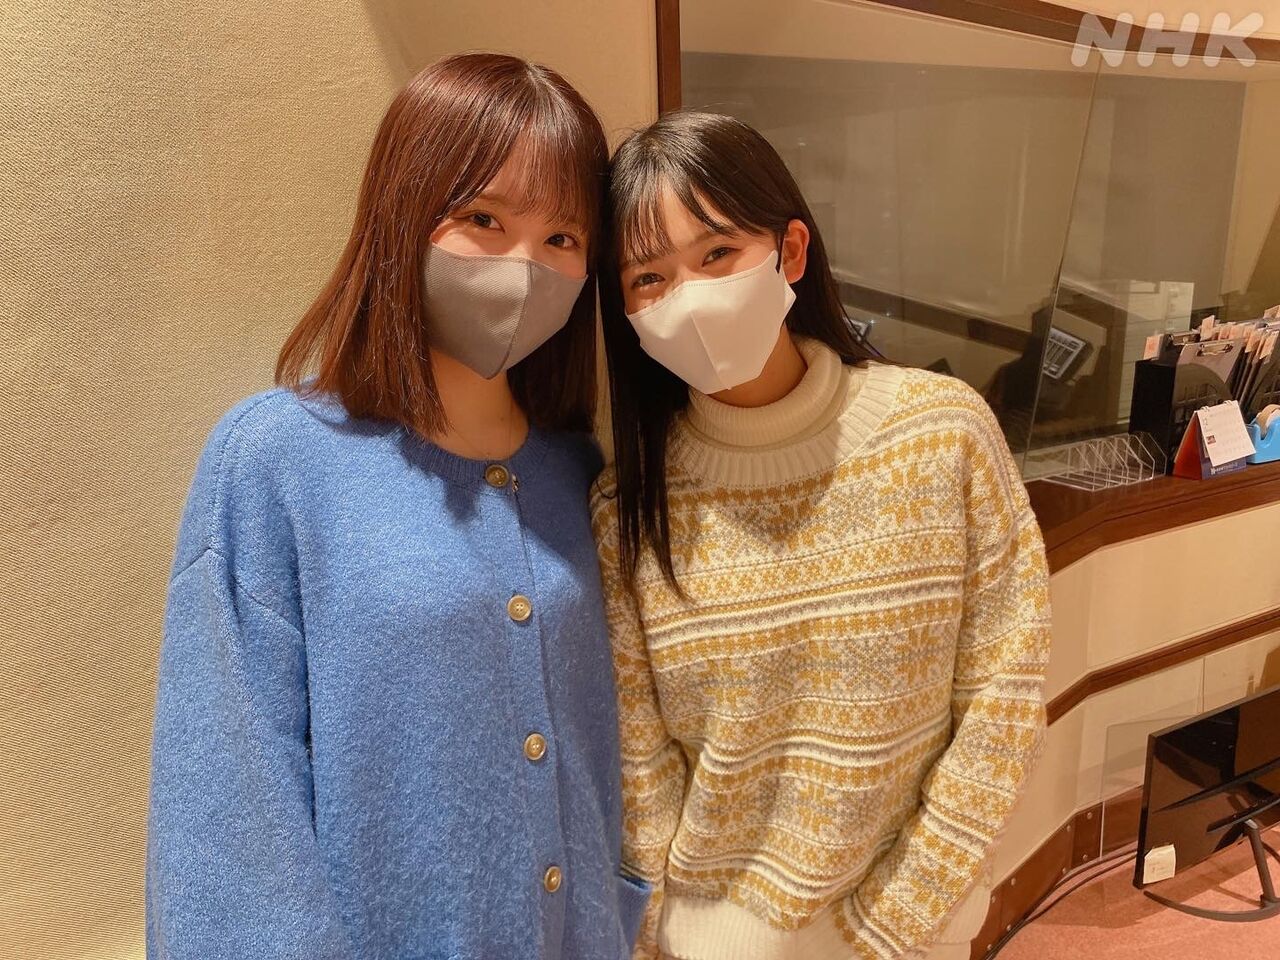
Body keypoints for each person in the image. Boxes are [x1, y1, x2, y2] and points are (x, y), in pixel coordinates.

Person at [146, 53, 649, 960]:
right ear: (403, 214)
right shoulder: (279, 460)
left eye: (562, 238)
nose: (524, 266)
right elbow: (229, 807)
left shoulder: (578, 470)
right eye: (484, 219)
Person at [591, 111, 1052, 960]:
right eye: (648, 277)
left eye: (717, 253)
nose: (688, 296)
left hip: (911, 936)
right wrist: (663, 933)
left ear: (791, 251)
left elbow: (1005, 692)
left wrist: (894, 923)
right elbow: (639, 761)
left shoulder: (940, 434)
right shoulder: (627, 511)